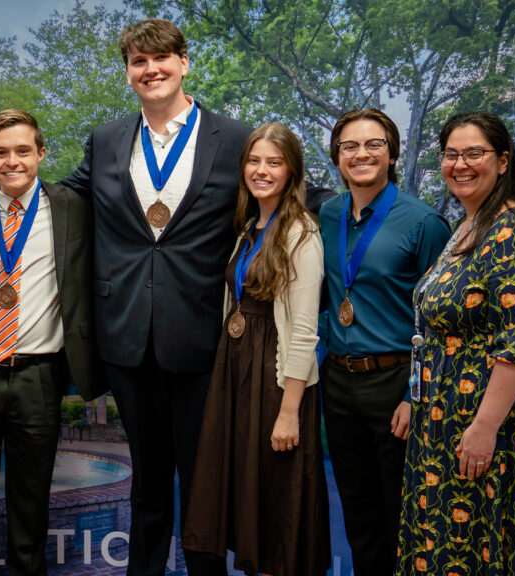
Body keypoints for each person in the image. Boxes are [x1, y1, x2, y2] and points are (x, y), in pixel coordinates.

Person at [59, 19, 252, 576]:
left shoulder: (235, 139)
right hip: (128, 335)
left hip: (202, 334)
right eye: (139, 62)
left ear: (184, 63)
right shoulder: (107, 139)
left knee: (202, 477)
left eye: (161, 58)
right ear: (128, 73)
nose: (151, 70)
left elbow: (280, 187)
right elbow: (67, 195)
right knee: (146, 479)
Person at [0, 109, 104, 576]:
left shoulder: (73, 208)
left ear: (41, 154)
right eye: (2, 153)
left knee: (32, 502)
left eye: (23, 151)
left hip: (39, 374)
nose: (13, 162)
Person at [398, 111, 515, 574]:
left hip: (492, 427)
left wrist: (485, 428)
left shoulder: (514, 228)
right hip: (444, 417)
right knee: (444, 544)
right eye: (451, 154)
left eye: (474, 153)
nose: (460, 164)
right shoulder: (467, 228)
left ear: (504, 161)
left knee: (482, 545)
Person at [183, 123, 330, 575]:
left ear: (292, 171)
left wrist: (289, 410)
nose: (261, 171)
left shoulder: (301, 232)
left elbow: (304, 330)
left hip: (275, 380)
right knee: (245, 499)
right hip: (237, 373)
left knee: (273, 505)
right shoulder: (249, 226)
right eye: (254, 160)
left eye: (274, 162)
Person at [318, 108, 451, 575]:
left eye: (373, 144)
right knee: (358, 512)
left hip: (397, 385)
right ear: (337, 158)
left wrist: (417, 396)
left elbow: (442, 324)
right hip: (338, 381)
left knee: (404, 515)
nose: (361, 154)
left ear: (392, 154)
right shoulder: (328, 214)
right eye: (349, 146)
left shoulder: (423, 223)